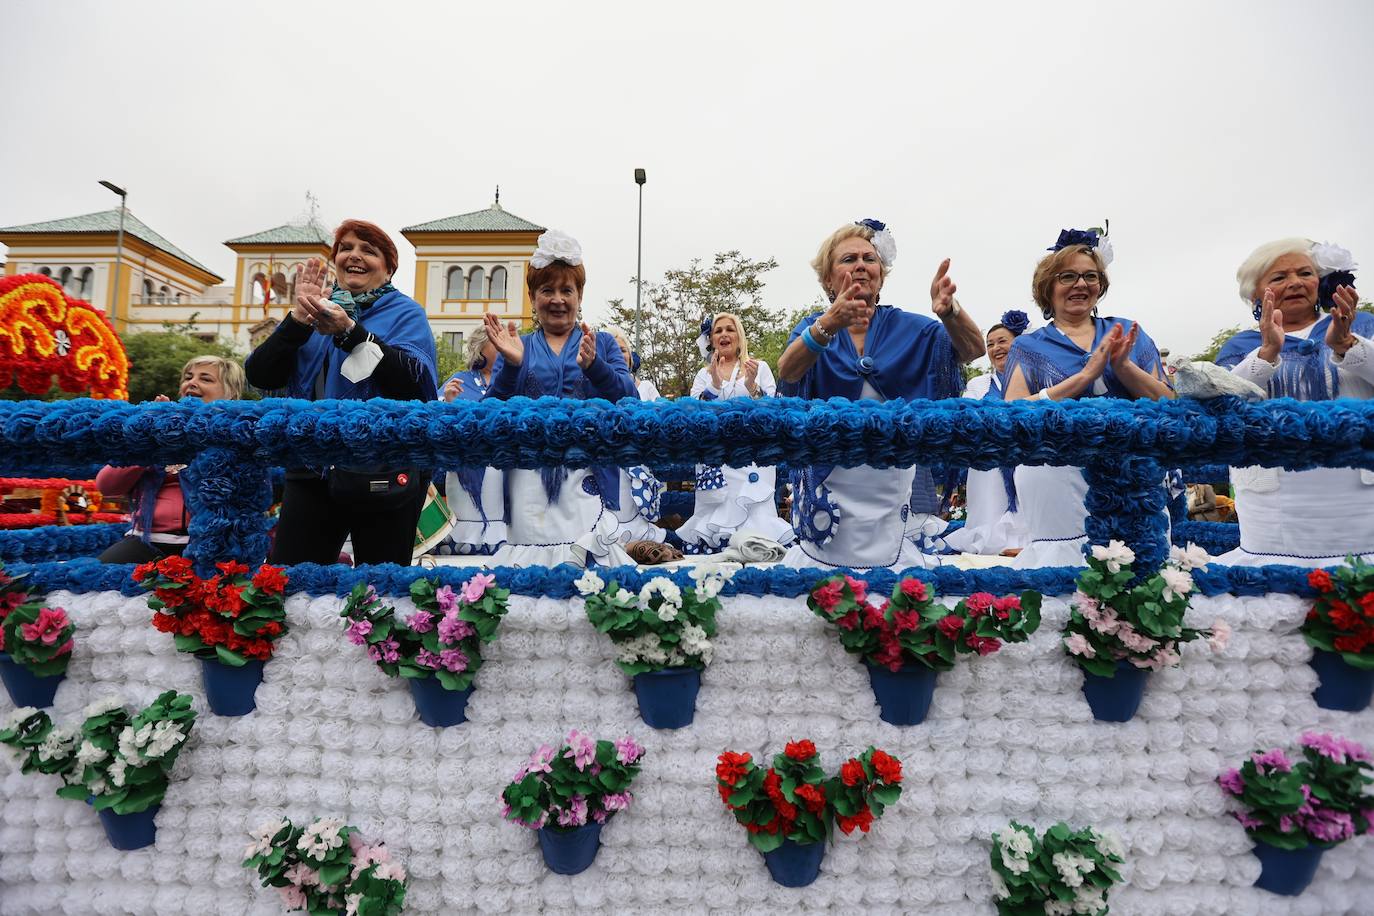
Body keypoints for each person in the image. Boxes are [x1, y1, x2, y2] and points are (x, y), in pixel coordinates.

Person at [777, 219, 986, 570]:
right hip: (831, 480)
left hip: (893, 481)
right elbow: (788, 370)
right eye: (848, 259)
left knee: (895, 577)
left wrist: (950, 312)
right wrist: (830, 323)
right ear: (828, 279)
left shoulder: (910, 327)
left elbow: (972, 350)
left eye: (868, 258)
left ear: (881, 275)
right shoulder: (813, 325)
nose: (860, 265)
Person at [244, 219, 438, 566]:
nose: (354, 256)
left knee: (381, 587)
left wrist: (351, 332)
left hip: (383, 468)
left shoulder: (406, 313)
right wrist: (297, 320)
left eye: (369, 250)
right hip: (312, 467)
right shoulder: (316, 310)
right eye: (346, 248)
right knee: (293, 579)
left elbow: (414, 384)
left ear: (389, 268)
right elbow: (260, 375)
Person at [1002, 229, 1173, 568]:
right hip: (1053, 474)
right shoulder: (1029, 346)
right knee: (1064, 572)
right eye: (1068, 276)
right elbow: (1011, 413)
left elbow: (1168, 402)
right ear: (1048, 288)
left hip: (1131, 473)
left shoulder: (1126, 332)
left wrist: (1123, 367)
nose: (1081, 284)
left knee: (1138, 568)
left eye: (1090, 276)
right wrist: (1081, 379)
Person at [480, 230, 638, 568]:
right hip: (529, 485)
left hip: (586, 477)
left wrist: (595, 367)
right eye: (546, 290)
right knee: (528, 574)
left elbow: (630, 399)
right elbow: (488, 413)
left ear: (580, 296)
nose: (557, 299)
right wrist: (511, 366)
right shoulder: (517, 345)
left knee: (591, 575)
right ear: (532, 296)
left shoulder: (604, 342)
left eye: (567, 290)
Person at [1214, 238, 1372, 566]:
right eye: (1279, 277)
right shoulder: (1240, 345)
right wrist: (1267, 352)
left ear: (1321, 281)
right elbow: (1217, 403)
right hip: (1275, 501)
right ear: (1256, 294)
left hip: (1360, 492)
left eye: (1305, 273)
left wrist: (1347, 344)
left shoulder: (1361, 324)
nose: (1295, 282)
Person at [96, 356, 245, 563]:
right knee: (95, 578)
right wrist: (151, 435)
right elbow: (107, 485)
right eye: (188, 377)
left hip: (215, 544)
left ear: (231, 394)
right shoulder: (159, 426)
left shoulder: (240, 433)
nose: (192, 383)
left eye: (206, 379)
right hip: (147, 542)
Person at [675, 312, 794, 552]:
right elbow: (693, 413)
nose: (724, 334)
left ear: (739, 337)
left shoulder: (758, 367)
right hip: (717, 462)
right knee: (718, 515)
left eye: (729, 329)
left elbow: (773, 410)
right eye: (718, 331)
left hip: (753, 460)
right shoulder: (703, 374)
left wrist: (752, 387)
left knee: (756, 518)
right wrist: (715, 385)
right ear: (711, 339)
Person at [942, 312, 1030, 555]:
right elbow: (966, 415)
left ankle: (1025, 540)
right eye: (990, 344)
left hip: (1024, 455)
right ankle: (992, 541)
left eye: (1002, 341)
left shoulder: (1035, 379)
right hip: (988, 458)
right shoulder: (979, 384)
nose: (996, 348)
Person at [436, 325, 506, 556]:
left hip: (505, 470)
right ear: (481, 348)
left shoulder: (513, 379)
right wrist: (448, 403)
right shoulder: (459, 381)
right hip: (466, 473)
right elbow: (435, 421)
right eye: (495, 341)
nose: (502, 344)